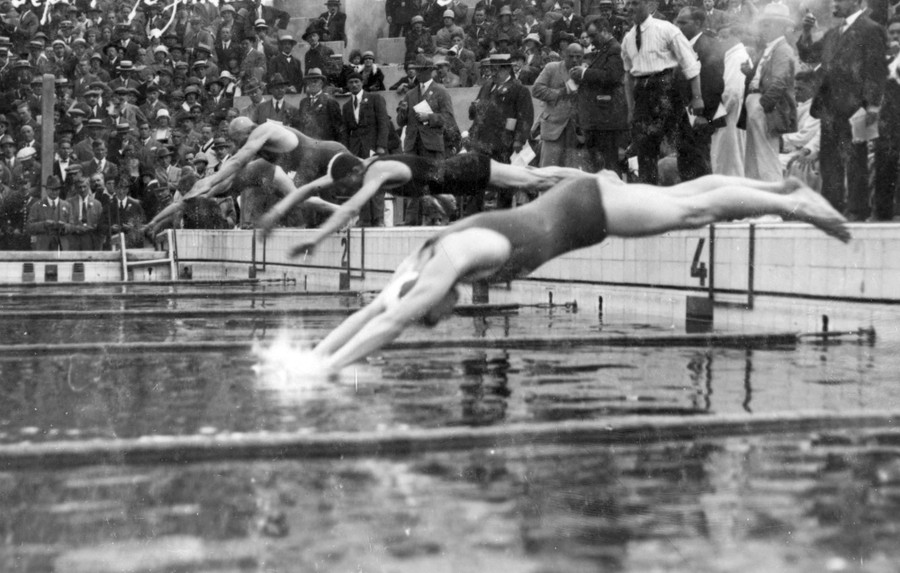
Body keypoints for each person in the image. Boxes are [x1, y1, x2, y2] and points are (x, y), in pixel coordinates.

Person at [308, 173, 850, 372]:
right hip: (577, 202)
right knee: (682, 195)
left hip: (586, 211)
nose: (448, 311)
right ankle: (777, 189)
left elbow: (391, 323)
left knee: (691, 212)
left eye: (438, 311)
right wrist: (313, 359)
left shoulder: (448, 263)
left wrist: (326, 372)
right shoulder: (416, 265)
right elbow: (374, 311)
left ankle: (792, 205)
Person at [144, 119, 344, 233]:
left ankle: (339, 211)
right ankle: (338, 210)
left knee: (300, 200)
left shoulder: (208, 186)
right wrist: (155, 222)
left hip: (266, 171)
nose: (236, 143)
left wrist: (155, 222)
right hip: (263, 172)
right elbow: (179, 205)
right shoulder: (208, 186)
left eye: (235, 138)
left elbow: (179, 205)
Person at [797, 0, 887, 221]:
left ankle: (857, 211)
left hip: (857, 107)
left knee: (856, 160)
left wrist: (873, 105)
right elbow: (809, 55)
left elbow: (876, 69)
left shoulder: (871, 29)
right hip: (830, 109)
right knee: (830, 162)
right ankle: (832, 210)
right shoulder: (833, 33)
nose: (833, 3)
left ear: (855, 1)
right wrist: (806, 32)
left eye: (839, 0)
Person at [622, 0, 704, 184]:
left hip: (667, 91)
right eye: (627, 4)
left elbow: (690, 63)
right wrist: (631, 109)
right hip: (642, 96)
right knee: (644, 150)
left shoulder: (666, 29)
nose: (629, 8)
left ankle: (693, 189)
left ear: (649, 5)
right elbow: (628, 76)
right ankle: (650, 194)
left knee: (684, 146)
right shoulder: (628, 38)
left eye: (635, 3)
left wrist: (697, 97)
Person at [573, 18, 628, 174]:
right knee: (600, 165)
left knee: (608, 166)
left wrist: (584, 73)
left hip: (606, 119)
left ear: (604, 30)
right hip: (598, 119)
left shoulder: (615, 49)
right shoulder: (605, 50)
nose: (590, 40)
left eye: (593, 35)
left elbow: (612, 76)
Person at [533, 43, 582, 168]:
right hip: (553, 127)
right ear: (564, 55)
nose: (575, 60)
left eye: (578, 56)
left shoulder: (585, 72)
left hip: (575, 130)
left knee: (571, 171)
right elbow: (536, 89)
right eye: (571, 56)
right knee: (549, 169)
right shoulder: (552, 68)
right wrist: (561, 92)